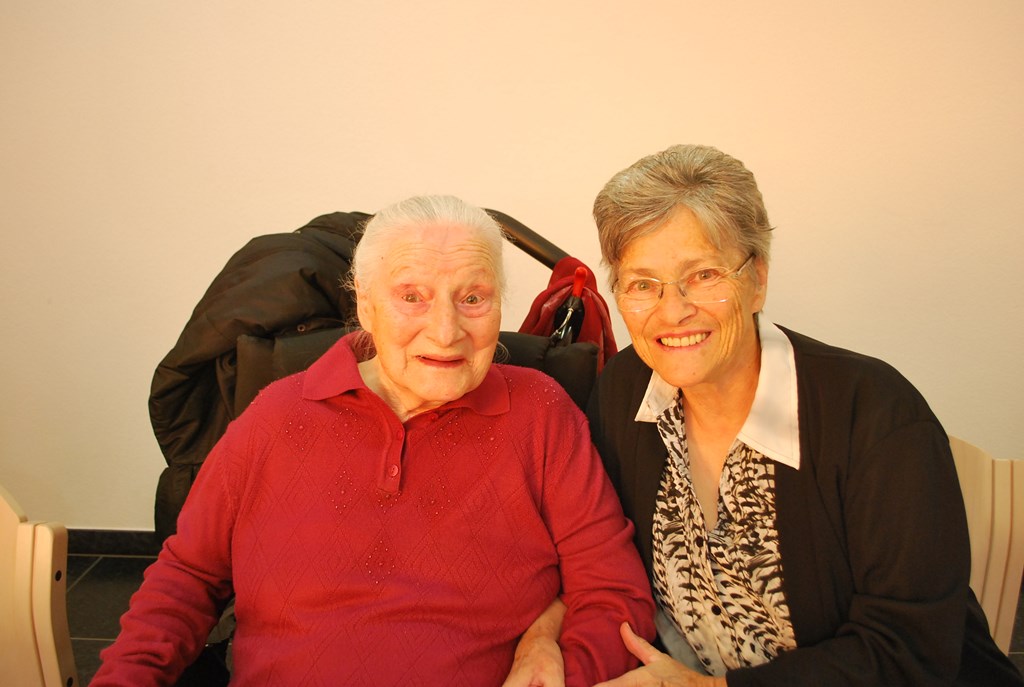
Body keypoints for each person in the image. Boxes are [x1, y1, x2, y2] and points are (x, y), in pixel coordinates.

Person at [90, 195, 655, 686]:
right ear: (365, 304)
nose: (446, 331)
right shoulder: (276, 416)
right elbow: (184, 582)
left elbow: (614, 593)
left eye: (473, 298)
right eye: (412, 296)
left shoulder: (541, 413)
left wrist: (566, 669)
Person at [569, 144, 1021, 686]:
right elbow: (591, 555)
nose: (673, 310)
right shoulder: (622, 392)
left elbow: (910, 652)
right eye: (643, 284)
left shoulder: (876, 415)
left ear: (757, 279)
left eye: (705, 274)